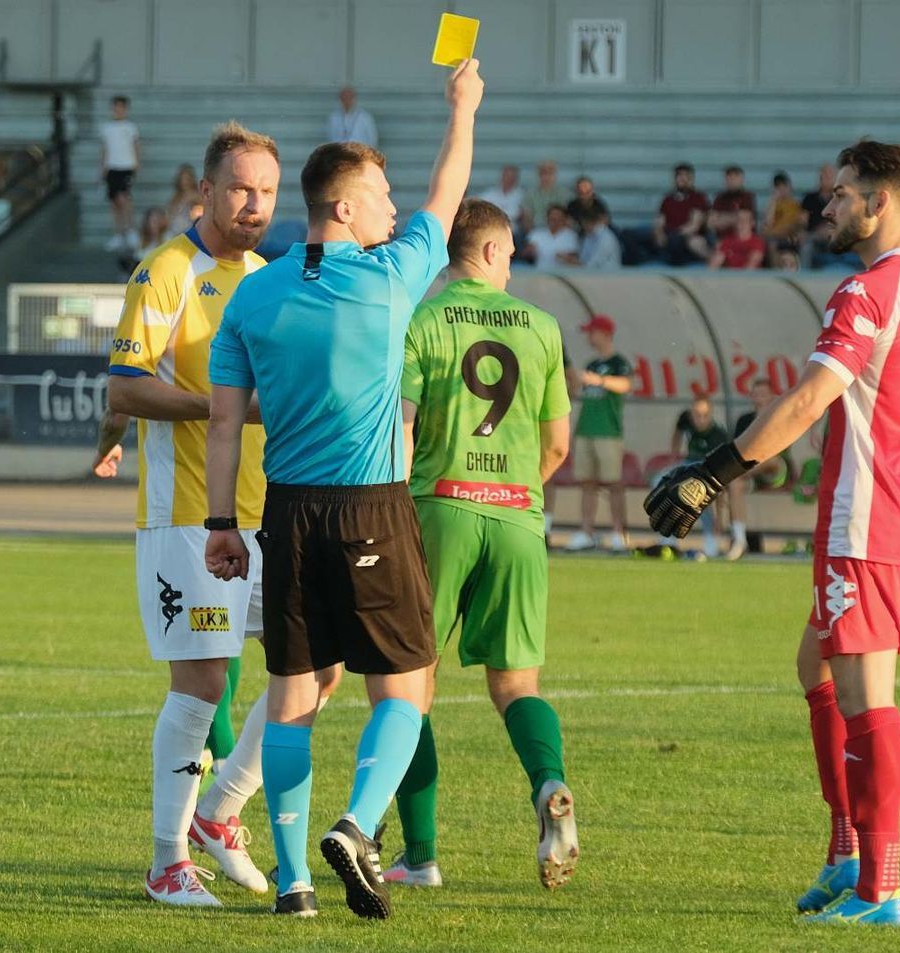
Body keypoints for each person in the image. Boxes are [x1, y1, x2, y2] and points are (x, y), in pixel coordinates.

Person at [645, 140, 900, 928]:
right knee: (813, 662)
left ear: (881, 202)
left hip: (868, 517)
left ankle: (880, 887)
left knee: (865, 696)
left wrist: (711, 472)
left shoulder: (868, 291)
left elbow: (806, 400)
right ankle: (846, 848)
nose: (829, 206)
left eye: (843, 194)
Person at [204, 59, 484, 920]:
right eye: (383, 196)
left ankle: (291, 885)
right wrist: (463, 105)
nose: (397, 209)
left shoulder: (251, 298)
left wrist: (222, 522)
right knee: (406, 683)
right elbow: (450, 187)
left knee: (291, 695)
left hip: (284, 511)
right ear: (349, 207)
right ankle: (358, 826)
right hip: (370, 503)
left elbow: (223, 423)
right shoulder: (391, 275)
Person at [106, 121, 282, 908]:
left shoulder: (270, 276)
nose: (254, 203)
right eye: (241, 187)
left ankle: (220, 812)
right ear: (205, 191)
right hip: (187, 516)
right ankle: (166, 859)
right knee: (204, 683)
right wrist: (220, 407)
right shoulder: (168, 270)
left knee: (316, 664)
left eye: (267, 191)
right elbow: (123, 387)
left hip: (269, 512)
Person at [386, 197, 578, 890]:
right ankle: (549, 781)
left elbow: (401, 428)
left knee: (411, 685)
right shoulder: (543, 327)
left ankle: (422, 855)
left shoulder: (424, 319)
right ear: (495, 251)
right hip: (520, 517)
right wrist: (516, 492)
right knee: (517, 683)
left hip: (440, 509)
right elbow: (558, 443)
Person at [566, 314, 632, 551]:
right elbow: (577, 394)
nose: (589, 337)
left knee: (613, 483)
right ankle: (586, 531)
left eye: (592, 332)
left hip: (608, 433)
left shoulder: (618, 363)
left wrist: (601, 381)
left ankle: (618, 532)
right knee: (587, 483)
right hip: (586, 430)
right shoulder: (591, 364)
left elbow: (625, 385)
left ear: (604, 334)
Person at [726, 377, 793, 559]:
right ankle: (739, 539)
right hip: (751, 472)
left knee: (770, 459)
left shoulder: (779, 416)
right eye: (756, 394)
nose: (760, 398)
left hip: (775, 471)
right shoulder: (745, 420)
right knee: (734, 484)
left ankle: (734, 473)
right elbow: (737, 448)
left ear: (772, 396)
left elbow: (780, 449)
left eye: (764, 394)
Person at [671, 396, 731, 557]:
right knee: (666, 484)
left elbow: (721, 478)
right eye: (697, 415)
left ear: (710, 414)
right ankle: (669, 536)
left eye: (704, 415)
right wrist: (675, 455)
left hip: (708, 468)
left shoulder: (718, 436)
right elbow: (677, 434)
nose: (700, 419)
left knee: (699, 494)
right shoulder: (685, 420)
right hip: (689, 464)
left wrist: (720, 517)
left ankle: (710, 538)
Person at [100, 95, 140, 252]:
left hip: (126, 166)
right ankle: (118, 234)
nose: (118, 110)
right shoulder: (107, 128)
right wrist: (103, 168)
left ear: (126, 109)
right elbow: (104, 149)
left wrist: (137, 163)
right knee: (114, 202)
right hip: (111, 167)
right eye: (115, 107)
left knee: (125, 198)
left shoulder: (130, 127)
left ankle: (130, 231)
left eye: (121, 107)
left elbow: (136, 146)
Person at [654, 163, 710, 265]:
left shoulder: (698, 197)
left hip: (683, 236)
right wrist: (659, 233)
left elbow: (694, 226)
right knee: (631, 234)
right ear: (675, 179)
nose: (683, 179)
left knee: (676, 241)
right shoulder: (668, 199)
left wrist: (674, 234)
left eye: (687, 176)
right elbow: (660, 221)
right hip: (667, 234)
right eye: (680, 176)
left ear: (692, 179)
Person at [520, 160, 570, 234]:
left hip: (559, 232)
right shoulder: (530, 194)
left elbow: (567, 218)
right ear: (539, 175)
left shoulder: (564, 194)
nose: (546, 176)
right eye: (543, 173)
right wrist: (534, 234)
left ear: (555, 175)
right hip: (536, 231)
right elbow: (526, 217)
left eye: (550, 173)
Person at [524, 204, 579, 270]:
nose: (555, 220)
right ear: (547, 218)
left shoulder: (571, 235)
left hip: (563, 274)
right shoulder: (537, 233)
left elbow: (574, 259)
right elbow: (525, 254)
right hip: (540, 273)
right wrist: (529, 252)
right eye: (552, 218)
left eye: (558, 217)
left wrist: (565, 257)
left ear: (564, 218)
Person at [709, 165, 756, 240]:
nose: (732, 181)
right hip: (720, 238)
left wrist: (721, 218)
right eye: (729, 178)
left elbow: (744, 219)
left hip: (741, 238)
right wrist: (733, 217)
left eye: (735, 178)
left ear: (742, 179)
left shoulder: (747, 197)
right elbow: (711, 222)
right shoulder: (719, 197)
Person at [166, 163, 204, 238]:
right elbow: (170, 215)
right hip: (174, 231)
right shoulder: (175, 197)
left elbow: (203, 209)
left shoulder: (195, 195)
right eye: (182, 179)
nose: (185, 182)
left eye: (187, 179)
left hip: (189, 229)